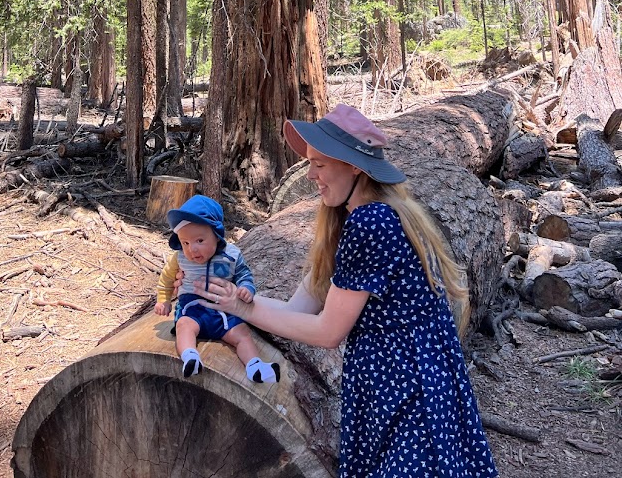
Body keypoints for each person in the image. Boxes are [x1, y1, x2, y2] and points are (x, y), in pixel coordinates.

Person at [191, 104, 499, 478]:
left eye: (319, 164)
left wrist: (244, 311)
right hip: (406, 380)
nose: (310, 175)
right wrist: (234, 298)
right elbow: (297, 310)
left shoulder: (371, 223)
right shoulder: (364, 216)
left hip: (406, 389)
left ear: (354, 166)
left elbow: (328, 332)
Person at [154, 194, 280, 383]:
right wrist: (163, 299)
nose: (192, 249)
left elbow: (243, 274)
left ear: (217, 235)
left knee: (242, 334)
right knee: (183, 326)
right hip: (193, 308)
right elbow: (166, 278)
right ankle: (190, 356)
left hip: (224, 309)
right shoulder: (179, 258)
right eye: (185, 243)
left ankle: (255, 366)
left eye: (199, 241)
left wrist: (246, 288)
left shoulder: (231, 255)